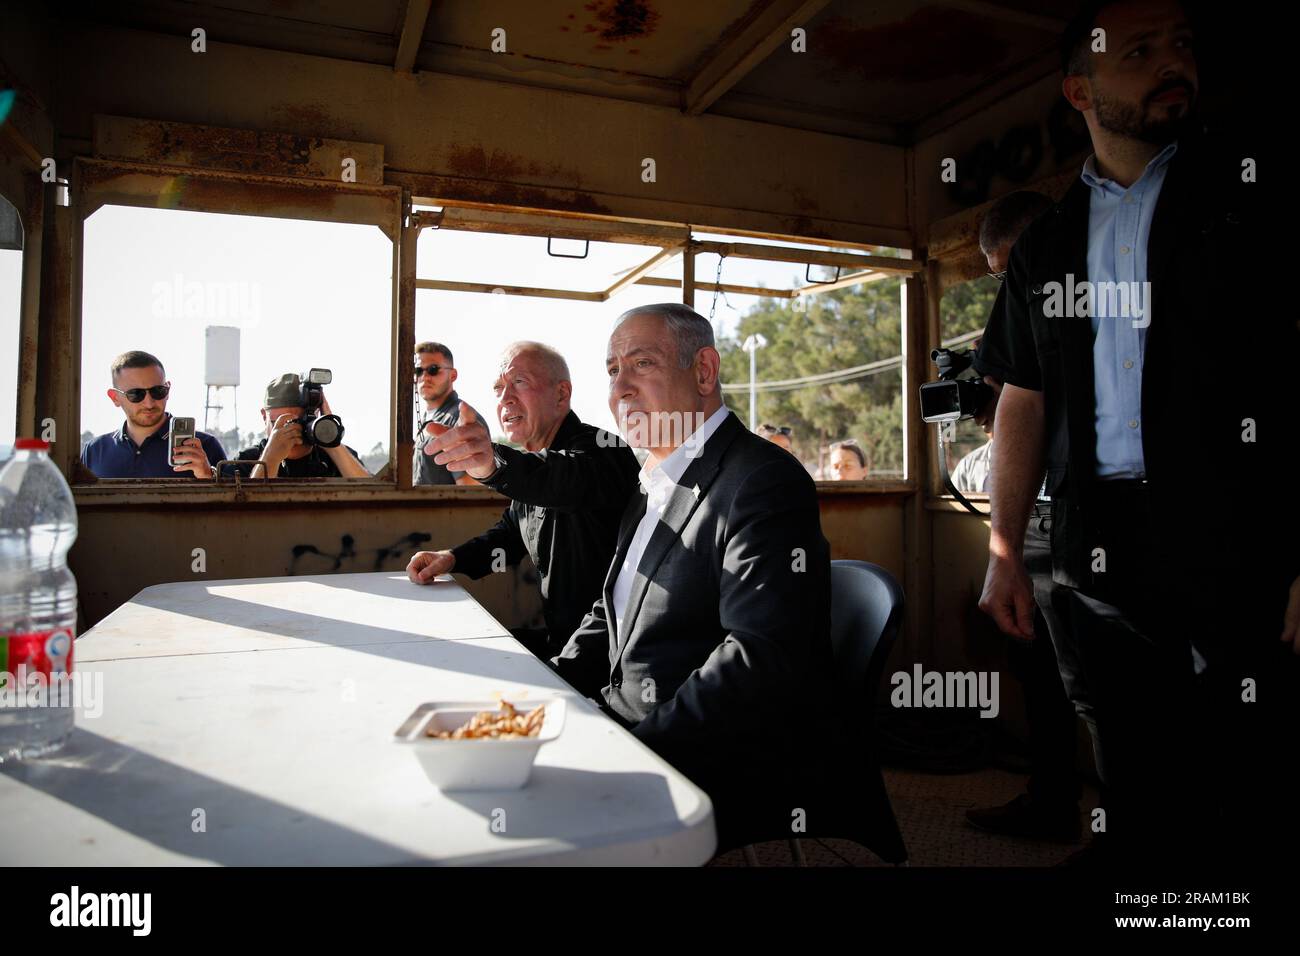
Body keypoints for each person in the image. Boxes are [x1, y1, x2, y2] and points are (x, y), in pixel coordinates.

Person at [976, 0, 1294, 863]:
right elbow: (1023, 399)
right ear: (1079, 89)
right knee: (1134, 777)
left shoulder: (1251, 194)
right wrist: (1005, 549)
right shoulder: (1046, 243)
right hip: (1097, 542)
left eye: (1183, 44)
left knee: (1250, 779)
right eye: (1141, 50)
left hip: (1239, 538)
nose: (1172, 62)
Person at [548, 303, 884, 851]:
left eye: (642, 364)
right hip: (621, 717)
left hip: (711, 749)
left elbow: (759, 656)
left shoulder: (762, 481)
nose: (621, 388)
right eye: (612, 371)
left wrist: (636, 752)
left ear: (704, 371)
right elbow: (609, 611)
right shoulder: (653, 476)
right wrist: (550, 683)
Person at [956, 196, 1085, 844]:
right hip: (1036, 516)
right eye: (1003, 276)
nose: (1011, 286)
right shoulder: (1024, 325)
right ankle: (1051, 795)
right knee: (1038, 671)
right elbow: (1024, 413)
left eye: (1010, 270)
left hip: (1098, 513)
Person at [405, 341, 639, 659]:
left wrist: (493, 464)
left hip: (607, 655)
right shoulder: (532, 471)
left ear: (561, 394)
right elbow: (509, 535)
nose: (505, 399)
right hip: (561, 641)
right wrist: (451, 558)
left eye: (519, 383)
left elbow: (560, 479)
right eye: (499, 388)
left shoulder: (605, 451)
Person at [81, 350, 225, 479]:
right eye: (136, 394)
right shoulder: (93, 451)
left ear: (168, 390)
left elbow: (230, 507)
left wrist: (208, 477)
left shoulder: (205, 447)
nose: (149, 403)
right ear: (115, 397)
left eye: (158, 391)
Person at [224, 373, 369, 479]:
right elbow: (245, 512)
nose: (292, 430)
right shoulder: (246, 462)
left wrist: (331, 440)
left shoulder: (336, 459)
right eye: (280, 424)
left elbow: (371, 498)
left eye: (300, 422)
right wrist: (271, 457)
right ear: (264, 416)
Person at [412, 341, 481, 486]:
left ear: (453, 375)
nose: (424, 377)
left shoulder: (460, 419)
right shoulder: (427, 419)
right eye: (418, 371)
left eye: (433, 369)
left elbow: (470, 489)